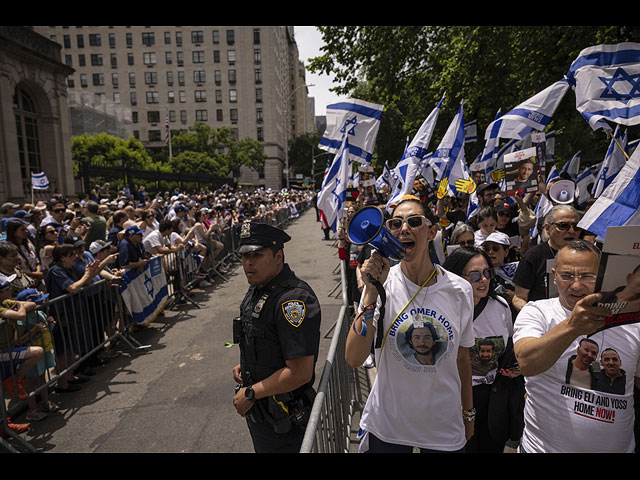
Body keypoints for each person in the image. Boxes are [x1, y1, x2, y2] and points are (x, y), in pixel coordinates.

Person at [346, 197, 475, 453]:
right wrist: (371, 292)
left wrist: (468, 412)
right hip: (389, 428)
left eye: (414, 222)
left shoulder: (460, 290)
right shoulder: (382, 285)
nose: (404, 229)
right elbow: (353, 357)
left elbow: (462, 357)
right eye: (395, 223)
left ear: (432, 231)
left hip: (443, 427)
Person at [513, 239, 640, 452]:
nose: (577, 285)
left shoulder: (632, 322)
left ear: (601, 276)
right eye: (567, 276)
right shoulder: (538, 312)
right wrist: (573, 326)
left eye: (587, 276)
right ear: (554, 277)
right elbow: (527, 362)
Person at [232, 222, 321, 453]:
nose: (248, 263)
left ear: (278, 256)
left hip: (284, 421)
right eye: (244, 256)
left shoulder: (293, 300)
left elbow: (300, 373)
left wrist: (251, 392)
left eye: (256, 255)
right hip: (262, 414)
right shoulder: (260, 286)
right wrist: (248, 365)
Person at [443, 246, 524, 453]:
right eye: (475, 275)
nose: (484, 280)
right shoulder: (443, 309)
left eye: (488, 273)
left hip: (493, 402)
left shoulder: (501, 307)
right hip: (454, 400)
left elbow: (509, 347)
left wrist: (513, 367)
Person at [512, 204, 581, 312]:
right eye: (563, 226)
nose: (571, 231)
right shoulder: (533, 256)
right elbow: (519, 298)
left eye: (576, 226)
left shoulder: (587, 254)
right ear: (548, 228)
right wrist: (536, 317)